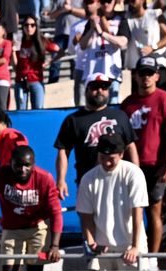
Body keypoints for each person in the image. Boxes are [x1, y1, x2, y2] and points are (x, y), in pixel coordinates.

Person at [122, 57, 166, 269]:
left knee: (154, 210)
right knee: (131, 211)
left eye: (150, 73)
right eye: (142, 73)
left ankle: (151, 260)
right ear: (136, 75)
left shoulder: (165, 100)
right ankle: (133, 252)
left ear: (157, 75)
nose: (146, 77)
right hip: (131, 167)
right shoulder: (128, 104)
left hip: (156, 166)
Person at [0, 145, 64, 271]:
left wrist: (55, 246)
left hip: (37, 228)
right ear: (10, 162)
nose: (22, 170)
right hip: (11, 229)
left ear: (33, 164)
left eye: (27, 165)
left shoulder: (45, 178)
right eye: (18, 165)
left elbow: (56, 212)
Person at [54, 73, 139, 202]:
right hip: (88, 182)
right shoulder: (73, 120)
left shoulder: (120, 116)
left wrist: (136, 176)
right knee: (88, 221)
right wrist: (61, 180)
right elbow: (63, 151)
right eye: (95, 87)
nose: (100, 91)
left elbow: (130, 147)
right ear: (86, 90)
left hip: (118, 182)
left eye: (104, 87)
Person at [77, 133, 149, 271]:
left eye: (111, 159)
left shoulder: (134, 173)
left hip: (130, 243)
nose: (106, 163)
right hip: (102, 245)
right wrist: (91, 242)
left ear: (121, 154)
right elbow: (86, 214)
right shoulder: (88, 178)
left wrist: (135, 247)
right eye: (102, 158)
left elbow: (137, 212)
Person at [124, 0, 166, 87]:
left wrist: (152, 47)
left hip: (157, 65)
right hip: (138, 68)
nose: (131, 2)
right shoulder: (126, 18)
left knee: (159, 97)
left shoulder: (154, 14)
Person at [17, 15, 57, 109]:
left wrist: (49, 61)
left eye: (32, 25)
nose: (29, 28)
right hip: (21, 80)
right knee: (21, 111)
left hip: (36, 80)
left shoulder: (42, 41)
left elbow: (60, 51)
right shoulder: (19, 41)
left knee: (38, 109)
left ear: (36, 27)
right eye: (26, 25)